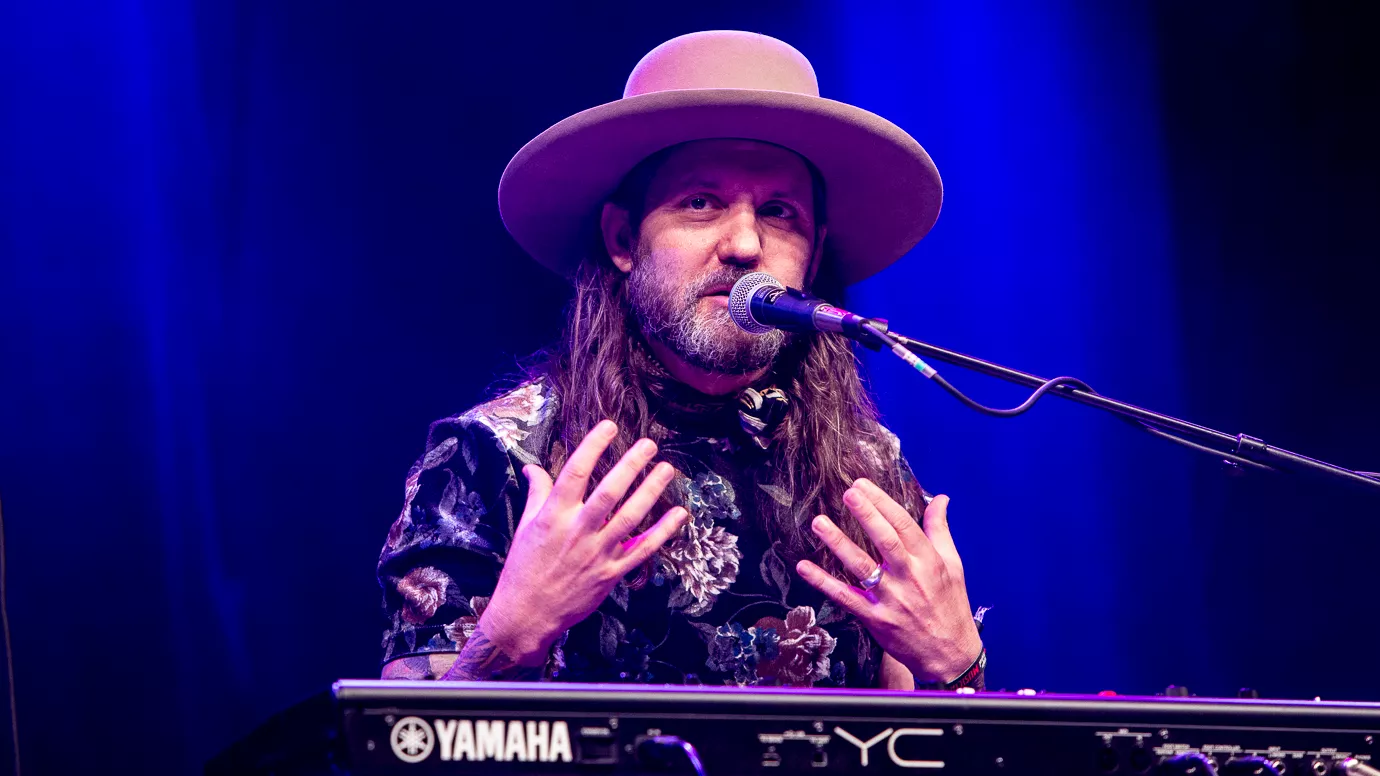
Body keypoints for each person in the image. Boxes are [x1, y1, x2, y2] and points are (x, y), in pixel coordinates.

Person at [377, 31, 986, 690]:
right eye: (701, 203)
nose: (746, 244)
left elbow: (925, 729)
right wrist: (508, 637)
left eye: (778, 212)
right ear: (622, 239)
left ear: (811, 257)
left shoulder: (866, 466)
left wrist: (958, 668)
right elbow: (404, 736)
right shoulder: (493, 455)